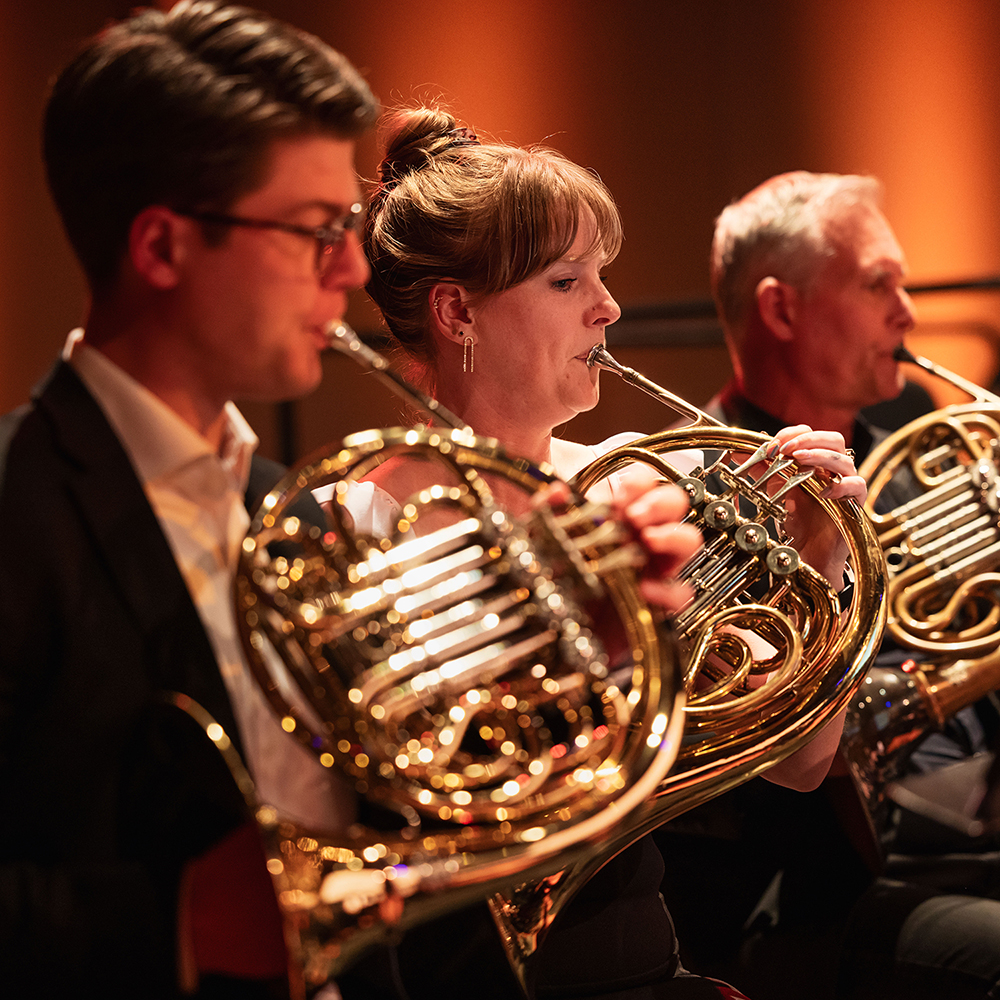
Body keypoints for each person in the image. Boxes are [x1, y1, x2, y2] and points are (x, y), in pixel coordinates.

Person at [327, 108, 865, 1000]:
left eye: (602, 275)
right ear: (458, 310)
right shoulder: (354, 525)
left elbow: (802, 766)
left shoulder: (631, 489)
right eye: (567, 280)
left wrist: (820, 560)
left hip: (643, 961)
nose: (609, 307)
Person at [0, 2, 380, 996]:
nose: (356, 268)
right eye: (317, 230)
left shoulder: (292, 512)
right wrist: (175, 924)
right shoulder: (13, 506)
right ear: (163, 248)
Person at [653, 170, 1000, 1000]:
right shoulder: (690, 490)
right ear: (781, 310)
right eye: (878, 283)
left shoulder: (918, 448)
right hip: (806, 892)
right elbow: (742, 753)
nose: (908, 311)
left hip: (965, 835)